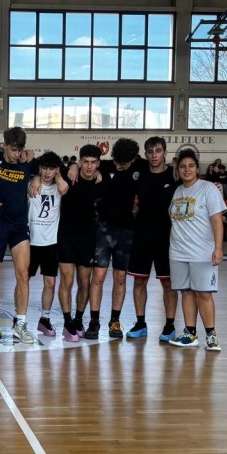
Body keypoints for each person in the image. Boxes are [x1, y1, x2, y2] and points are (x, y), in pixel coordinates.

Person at [84, 138, 147, 341]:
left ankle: (115, 320)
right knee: (98, 277)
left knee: (120, 278)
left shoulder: (140, 166)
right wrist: (75, 166)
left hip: (126, 231)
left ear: (133, 159)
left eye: (124, 164)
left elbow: (163, 167)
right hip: (104, 229)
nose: (120, 166)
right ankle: (94, 321)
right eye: (117, 162)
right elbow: (85, 166)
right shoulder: (106, 166)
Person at [0, 126, 37, 344]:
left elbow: (53, 167)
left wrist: (36, 178)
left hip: (19, 225)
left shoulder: (28, 162)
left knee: (23, 274)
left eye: (19, 150)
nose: (16, 154)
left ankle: (20, 325)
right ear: (4, 145)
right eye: (13, 150)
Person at [167, 149, 226, 351]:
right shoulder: (177, 191)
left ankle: (211, 335)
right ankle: (190, 334)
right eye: (183, 166)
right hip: (178, 252)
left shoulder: (208, 189)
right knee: (186, 293)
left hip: (202, 252)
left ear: (197, 168)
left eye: (191, 166)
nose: (187, 170)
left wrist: (218, 248)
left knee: (204, 294)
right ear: (177, 170)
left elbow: (217, 220)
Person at [125, 136, 180, 342]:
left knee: (168, 283)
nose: (154, 155)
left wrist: (217, 185)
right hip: (142, 235)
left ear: (165, 152)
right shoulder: (139, 171)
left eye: (158, 151)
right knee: (139, 280)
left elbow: (195, 182)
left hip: (167, 237)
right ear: (145, 154)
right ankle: (141, 323)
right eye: (150, 152)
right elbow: (114, 163)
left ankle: (170, 326)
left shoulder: (175, 175)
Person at [55, 145, 102, 342]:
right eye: (85, 162)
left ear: (98, 164)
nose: (89, 166)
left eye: (93, 163)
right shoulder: (69, 175)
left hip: (88, 239)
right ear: (80, 161)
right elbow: (45, 166)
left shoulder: (101, 181)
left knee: (84, 282)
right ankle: (67, 322)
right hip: (66, 236)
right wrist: (62, 174)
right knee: (66, 280)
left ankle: (78, 319)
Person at [27, 152, 63, 338]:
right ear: (40, 168)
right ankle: (19, 319)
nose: (47, 172)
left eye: (51, 169)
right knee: (23, 280)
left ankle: (45, 318)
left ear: (57, 170)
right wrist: (35, 177)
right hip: (30, 242)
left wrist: (60, 175)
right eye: (44, 168)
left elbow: (68, 180)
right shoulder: (30, 185)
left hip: (51, 242)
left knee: (50, 282)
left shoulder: (61, 187)